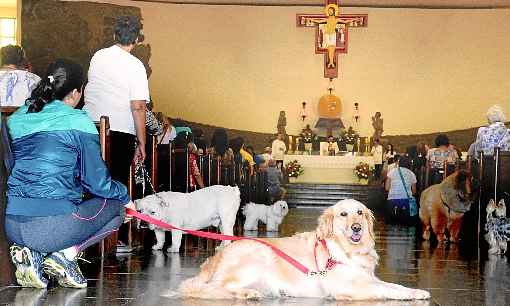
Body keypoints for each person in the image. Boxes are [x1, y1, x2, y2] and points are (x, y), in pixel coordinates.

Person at [5, 59, 132, 289]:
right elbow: (98, 184)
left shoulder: (16, 118)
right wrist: (125, 195)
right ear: (75, 92)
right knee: (118, 207)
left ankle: (34, 258)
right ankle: (65, 256)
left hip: (13, 223)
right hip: (51, 227)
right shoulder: (77, 120)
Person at [83, 15, 149, 186]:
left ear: (114, 36)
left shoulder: (98, 56)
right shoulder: (135, 65)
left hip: (91, 127)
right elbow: (138, 107)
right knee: (114, 185)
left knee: (90, 183)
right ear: (136, 39)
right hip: (119, 132)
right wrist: (142, 142)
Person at [385, 156, 417, 224]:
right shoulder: (412, 174)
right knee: (405, 223)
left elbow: (387, 188)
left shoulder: (392, 172)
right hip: (406, 201)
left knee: (392, 223)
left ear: (399, 163)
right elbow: (414, 192)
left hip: (392, 200)